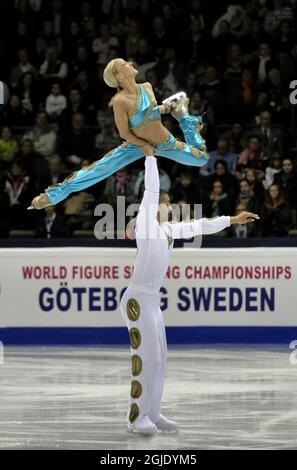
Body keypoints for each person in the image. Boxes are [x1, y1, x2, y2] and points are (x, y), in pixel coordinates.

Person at [120, 154, 259, 436]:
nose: (170, 206)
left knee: (160, 358)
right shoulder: (146, 227)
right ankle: (136, 418)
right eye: (167, 203)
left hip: (152, 301)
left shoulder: (169, 230)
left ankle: (153, 412)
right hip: (137, 300)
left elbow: (200, 225)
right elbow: (151, 190)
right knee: (146, 358)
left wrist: (232, 219)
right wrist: (150, 157)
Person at [29, 58, 210, 209]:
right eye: (124, 63)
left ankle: (186, 120)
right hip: (135, 145)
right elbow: (124, 133)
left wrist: (166, 108)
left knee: (202, 158)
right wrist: (144, 146)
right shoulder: (120, 101)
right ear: (120, 76)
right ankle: (53, 195)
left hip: (165, 143)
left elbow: (150, 111)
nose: (130, 62)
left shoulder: (146, 87)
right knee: (98, 170)